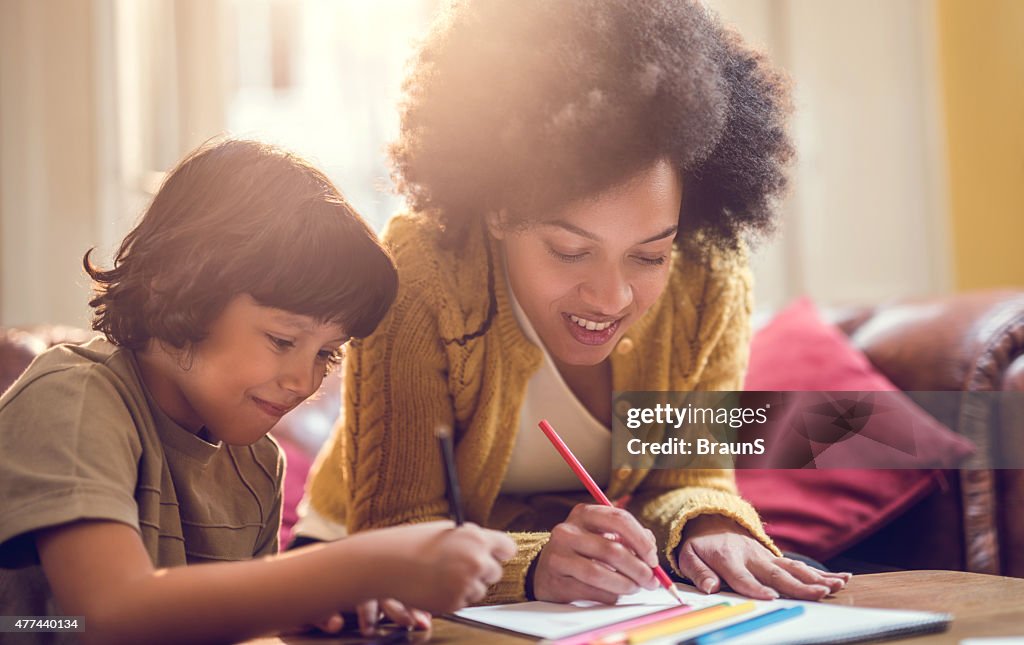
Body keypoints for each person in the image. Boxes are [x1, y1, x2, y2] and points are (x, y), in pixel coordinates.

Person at [298, 0, 853, 609]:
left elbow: (686, 476)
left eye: (648, 256)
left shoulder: (706, 274)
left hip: (595, 584)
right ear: (499, 210)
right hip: (367, 567)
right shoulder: (423, 268)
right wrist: (532, 569)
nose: (612, 298)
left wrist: (708, 525)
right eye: (569, 250)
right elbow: (400, 527)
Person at [0, 139, 515, 644]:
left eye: (326, 354)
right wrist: (359, 566)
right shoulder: (75, 396)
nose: (304, 381)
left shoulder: (256, 463)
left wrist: (302, 609)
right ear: (175, 285)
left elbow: (212, 622)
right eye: (282, 339)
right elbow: (102, 620)